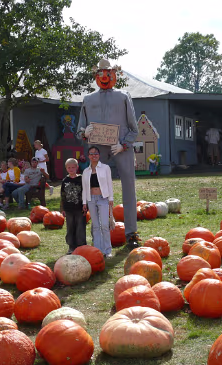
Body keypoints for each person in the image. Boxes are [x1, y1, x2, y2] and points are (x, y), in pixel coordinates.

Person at [78, 58, 140, 249]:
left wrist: (124, 144)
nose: (104, 77)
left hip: (120, 146)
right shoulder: (88, 99)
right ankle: (98, 229)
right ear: (96, 76)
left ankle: (131, 232)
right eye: (101, 73)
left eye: (108, 73)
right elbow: (80, 128)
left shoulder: (123, 96)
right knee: (95, 188)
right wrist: (84, 133)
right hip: (97, 149)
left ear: (114, 75)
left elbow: (134, 128)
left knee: (128, 186)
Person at [82, 146, 113, 258]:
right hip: (91, 199)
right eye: (91, 153)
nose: (93, 155)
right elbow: (85, 188)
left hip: (103, 198)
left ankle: (107, 250)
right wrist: (84, 202)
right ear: (88, 156)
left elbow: (109, 184)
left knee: (104, 225)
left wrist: (111, 198)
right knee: (95, 226)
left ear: (99, 155)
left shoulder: (105, 168)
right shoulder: (86, 171)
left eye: (96, 153)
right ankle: (98, 249)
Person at [60, 158, 86, 254]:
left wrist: (85, 204)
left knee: (80, 226)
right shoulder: (65, 180)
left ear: (77, 167)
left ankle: (81, 245)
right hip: (68, 208)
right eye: (69, 167)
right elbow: (62, 195)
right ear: (66, 168)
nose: (71, 169)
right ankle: (71, 246)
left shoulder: (81, 179)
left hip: (80, 208)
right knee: (70, 227)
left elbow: (85, 193)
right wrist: (62, 208)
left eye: (73, 167)